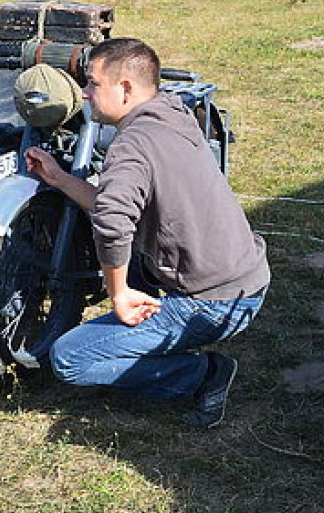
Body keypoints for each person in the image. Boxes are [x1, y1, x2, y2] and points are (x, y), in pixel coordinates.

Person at [25, 37, 269, 428]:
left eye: (92, 84)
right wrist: (59, 179)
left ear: (125, 88)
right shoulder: (170, 111)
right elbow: (114, 204)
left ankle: (203, 375)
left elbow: (112, 222)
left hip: (215, 301)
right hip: (243, 279)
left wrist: (119, 294)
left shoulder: (131, 145)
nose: (85, 94)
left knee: (70, 358)